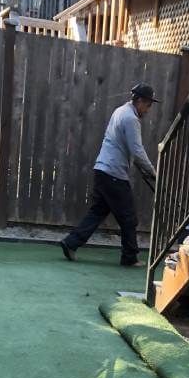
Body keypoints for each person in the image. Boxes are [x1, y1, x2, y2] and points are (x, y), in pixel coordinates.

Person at [61, 83, 158, 268]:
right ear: (139, 101)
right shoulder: (131, 119)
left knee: (98, 211)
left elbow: (125, 147)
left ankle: (71, 243)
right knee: (128, 217)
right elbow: (137, 150)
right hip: (114, 174)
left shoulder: (119, 111)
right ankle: (129, 257)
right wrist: (153, 172)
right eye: (148, 104)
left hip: (102, 169)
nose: (148, 109)